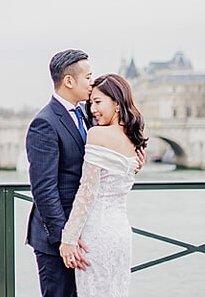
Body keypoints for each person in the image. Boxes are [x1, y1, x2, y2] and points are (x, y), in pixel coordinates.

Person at [58, 73, 147, 297]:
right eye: (91, 104)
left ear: (116, 103)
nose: (93, 110)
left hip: (96, 232)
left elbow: (87, 193)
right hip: (121, 233)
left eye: (98, 102)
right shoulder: (132, 138)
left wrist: (68, 239)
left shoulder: (97, 134)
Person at [26, 49, 94, 297]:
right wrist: (64, 238)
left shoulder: (88, 114)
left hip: (86, 234)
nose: (92, 82)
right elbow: (44, 188)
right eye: (88, 76)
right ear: (69, 81)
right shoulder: (45, 122)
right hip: (58, 240)